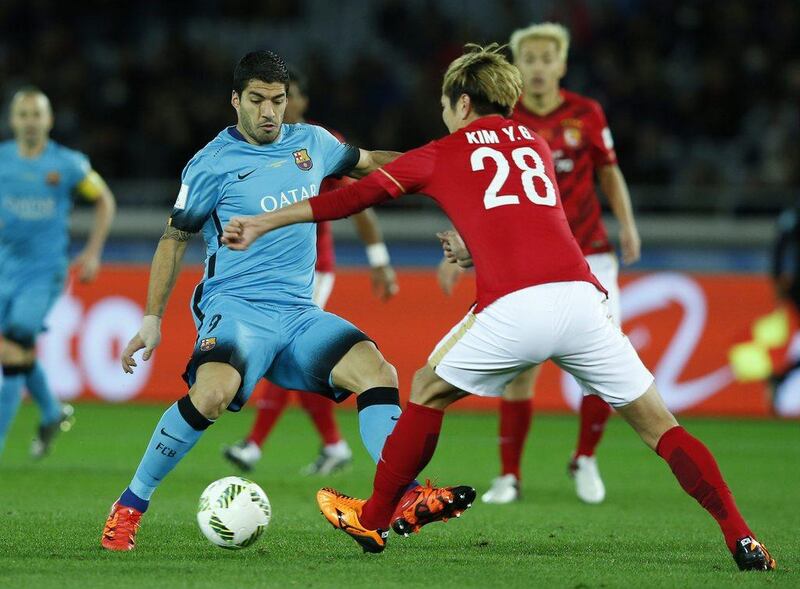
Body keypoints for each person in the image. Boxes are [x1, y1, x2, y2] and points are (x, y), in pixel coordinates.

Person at [221, 44, 775, 571]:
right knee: (661, 428)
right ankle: (742, 535)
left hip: (517, 307)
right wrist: (471, 243)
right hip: (584, 302)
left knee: (426, 389)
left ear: (462, 102)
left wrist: (265, 219)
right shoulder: (534, 144)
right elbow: (525, 216)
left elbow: (351, 197)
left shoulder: (447, 150)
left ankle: (371, 518)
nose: (444, 116)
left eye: (444, 105)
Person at [101, 50, 457, 552]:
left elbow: (374, 165)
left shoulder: (313, 143)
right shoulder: (210, 164)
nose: (269, 112)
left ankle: (403, 495)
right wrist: (152, 318)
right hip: (236, 308)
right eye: (257, 100)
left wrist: (449, 171)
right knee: (211, 395)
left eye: (278, 100)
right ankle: (130, 506)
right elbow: (173, 238)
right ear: (235, 100)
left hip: (297, 312)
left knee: (378, 371)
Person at [437, 23, 640, 505]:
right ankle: (510, 475)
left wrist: (627, 223)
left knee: (603, 366)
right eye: (531, 58)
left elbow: (609, 172)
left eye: (549, 58)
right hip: (525, 254)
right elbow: (472, 188)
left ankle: (585, 458)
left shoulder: (586, 114)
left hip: (589, 252)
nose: (540, 66)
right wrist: (461, 246)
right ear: (517, 66)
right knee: (522, 366)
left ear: (563, 64)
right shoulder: (506, 119)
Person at [223, 68, 399, 475]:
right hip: (267, 271)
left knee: (284, 351)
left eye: (286, 97)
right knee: (301, 363)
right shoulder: (253, 145)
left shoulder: (316, 143)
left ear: (297, 101)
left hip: (313, 269)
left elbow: (361, 197)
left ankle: (254, 445)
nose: (275, 107)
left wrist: (378, 259)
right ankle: (333, 445)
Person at [0, 87, 116, 459]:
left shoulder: (67, 164)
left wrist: (94, 252)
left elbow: (104, 199)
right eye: (23, 114)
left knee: (12, 345)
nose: (30, 122)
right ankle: (52, 411)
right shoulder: (2, 162)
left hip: (45, 272)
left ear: (49, 120)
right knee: (15, 352)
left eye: (37, 114)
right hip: (6, 269)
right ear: (12, 120)